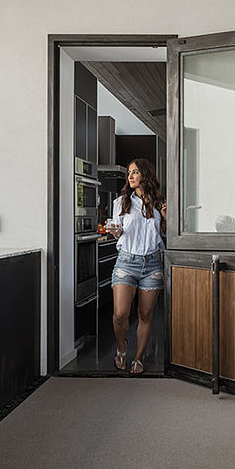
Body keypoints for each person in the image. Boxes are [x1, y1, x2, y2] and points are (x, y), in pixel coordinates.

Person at [106, 158, 166, 375]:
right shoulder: (121, 203)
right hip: (126, 262)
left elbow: (166, 235)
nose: (130, 176)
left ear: (145, 175)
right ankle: (122, 348)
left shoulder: (160, 204)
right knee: (120, 314)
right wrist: (115, 232)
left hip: (152, 264)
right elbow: (119, 230)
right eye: (129, 173)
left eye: (135, 172)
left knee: (145, 314)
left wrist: (167, 220)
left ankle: (138, 357)